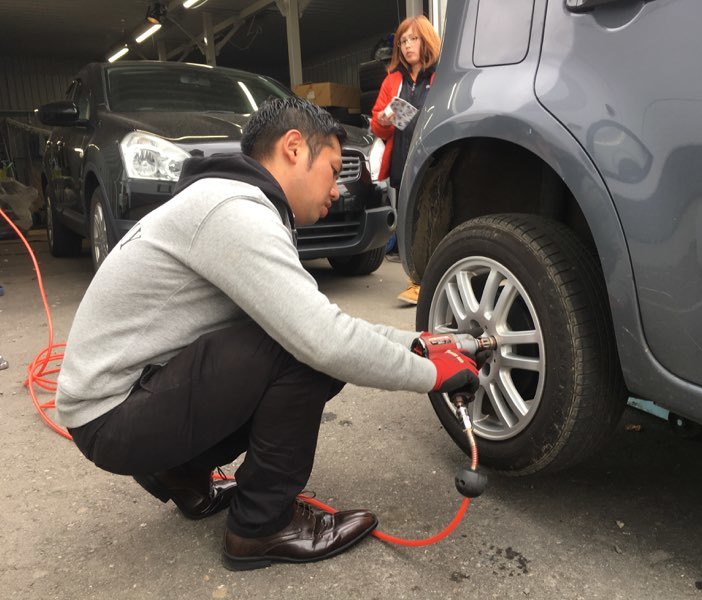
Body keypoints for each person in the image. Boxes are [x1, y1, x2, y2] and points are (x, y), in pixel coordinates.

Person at [54, 96, 479, 571]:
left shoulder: (227, 201)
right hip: (113, 417)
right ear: (294, 148)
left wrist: (422, 345)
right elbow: (324, 340)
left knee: (294, 337)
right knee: (301, 355)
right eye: (334, 171)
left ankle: (182, 473)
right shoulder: (235, 212)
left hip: (127, 401)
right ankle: (261, 526)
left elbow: (323, 321)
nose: (337, 191)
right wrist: (430, 374)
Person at [371, 15, 441, 305]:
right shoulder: (392, 80)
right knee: (409, 225)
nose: (407, 46)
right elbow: (376, 125)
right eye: (403, 41)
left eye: (413, 39)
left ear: (426, 40)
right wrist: (386, 119)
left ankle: (433, 280)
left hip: (434, 160)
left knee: (435, 220)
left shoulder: (442, 75)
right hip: (402, 161)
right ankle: (416, 283)